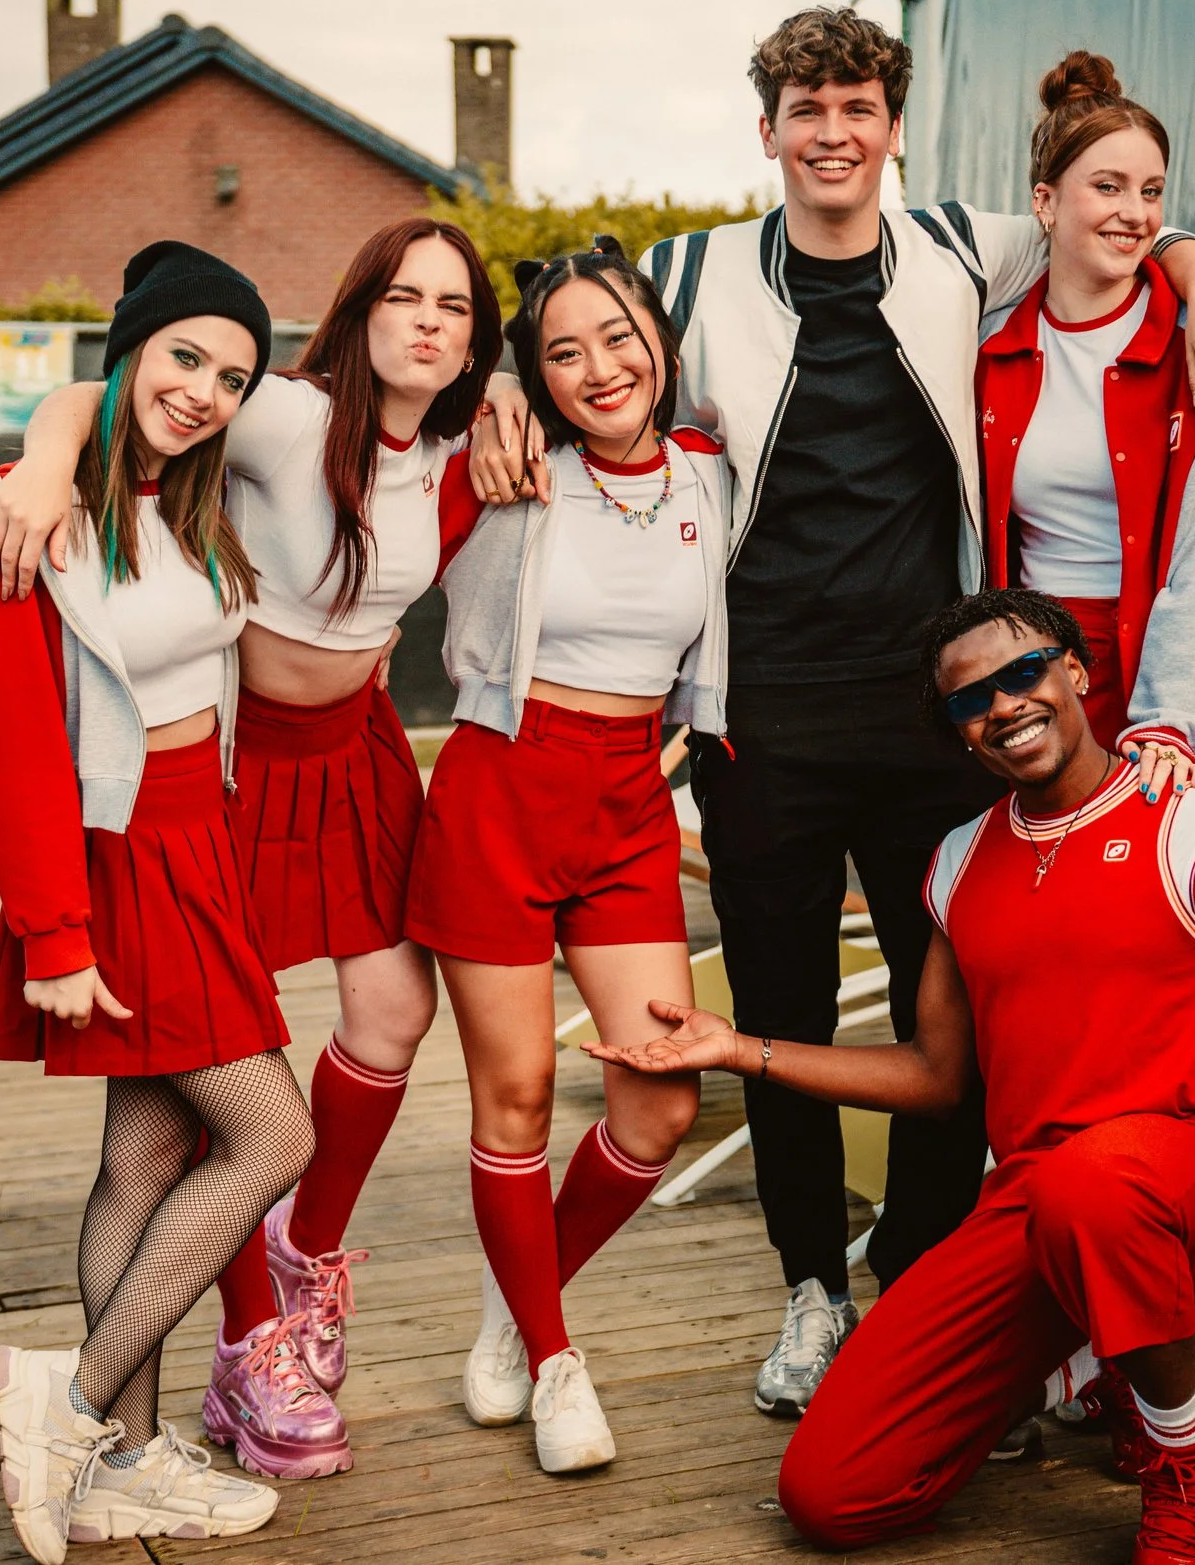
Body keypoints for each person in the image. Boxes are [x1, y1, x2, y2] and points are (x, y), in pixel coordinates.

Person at [471, 6, 1195, 1418]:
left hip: (933, 723)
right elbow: (555, 333)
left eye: (857, 107)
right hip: (758, 718)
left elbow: (1114, 217)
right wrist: (493, 388)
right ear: (766, 130)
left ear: (894, 129)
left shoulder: (967, 246)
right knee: (773, 1012)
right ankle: (809, 1291)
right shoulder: (686, 269)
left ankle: (914, 1268)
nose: (832, 132)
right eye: (804, 109)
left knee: (946, 1012)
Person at [586, 589, 1195, 1564]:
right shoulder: (959, 862)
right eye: (971, 699)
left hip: (1188, 1180)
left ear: (1075, 670)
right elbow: (933, 1075)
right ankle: (1084, 1358)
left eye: (1022, 672)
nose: (1002, 704)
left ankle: (1190, 1453)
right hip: (1037, 1203)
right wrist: (737, 1048)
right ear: (956, 732)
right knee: (828, 1491)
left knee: (1095, 1184)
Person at [0, 218, 505, 1479]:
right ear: (358, 308)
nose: (429, 321)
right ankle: (240, 1346)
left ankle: (299, 1254)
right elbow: (111, 381)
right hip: (231, 761)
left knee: (386, 1011)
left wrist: (519, 408)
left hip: (357, 748)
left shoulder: (464, 443)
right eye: (403, 295)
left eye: (456, 306)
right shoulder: (274, 410)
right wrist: (48, 460)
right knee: (212, 1091)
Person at [0, 242, 310, 1561]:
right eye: (183, 357)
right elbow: (19, 747)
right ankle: (78, 1402)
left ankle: (129, 1467)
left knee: (148, 1158)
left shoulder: (183, 501)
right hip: (118, 862)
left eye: (232, 372)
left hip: (197, 852)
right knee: (276, 1139)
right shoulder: (23, 514)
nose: (206, 388)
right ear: (130, 354)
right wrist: (53, 931)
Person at [976, 51, 1195, 1406]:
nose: (1130, 210)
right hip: (1056, 683)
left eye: (1155, 194)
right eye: (1105, 185)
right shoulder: (986, 334)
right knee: (1069, 1008)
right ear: (1042, 200)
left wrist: (1174, 721)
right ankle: (1068, 1330)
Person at [411, 239, 726, 1474]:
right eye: (561, 352)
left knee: (660, 1094)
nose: (599, 368)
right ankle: (554, 1361)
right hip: (500, 789)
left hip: (629, 798)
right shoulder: (505, 468)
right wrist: (490, 377)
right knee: (521, 1097)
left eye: (618, 337)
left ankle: (514, 1302)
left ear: (661, 345)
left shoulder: (711, 473)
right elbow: (363, 467)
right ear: (534, 376)